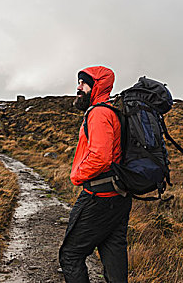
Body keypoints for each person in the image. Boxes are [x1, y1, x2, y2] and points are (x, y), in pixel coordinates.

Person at [59, 66, 132, 283]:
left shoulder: (99, 113)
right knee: (113, 253)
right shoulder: (111, 111)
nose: (78, 87)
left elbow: (101, 157)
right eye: (79, 82)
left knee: (70, 255)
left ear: (97, 86)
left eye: (84, 83)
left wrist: (77, 176)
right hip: (118, 196)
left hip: (98, 198)